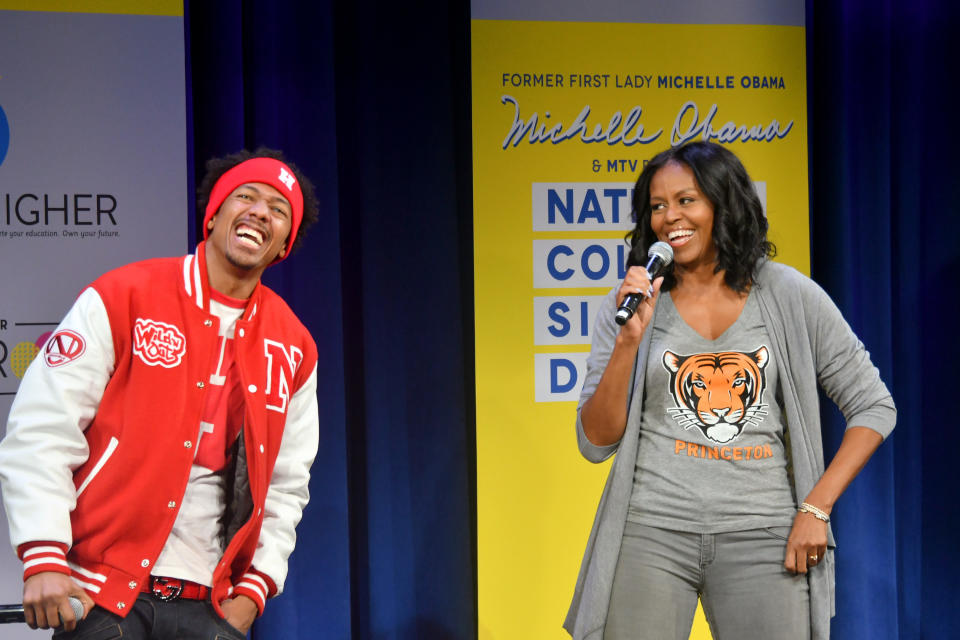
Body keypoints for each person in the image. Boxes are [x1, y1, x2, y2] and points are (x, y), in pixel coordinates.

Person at [563, 142, 895, 640]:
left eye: (685, 200)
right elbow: (595, 441)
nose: (669, 218)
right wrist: (629, 340)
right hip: (651, 529)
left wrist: (816, 507)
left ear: (724, 203)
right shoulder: (634, 304)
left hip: (763, 531)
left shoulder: (787, 294)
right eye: (657, 206)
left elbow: (874, 405)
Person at [0, 148, 321, 638]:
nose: (261, 212)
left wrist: (254, 591)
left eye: (279, 210)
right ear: (214, 215)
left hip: (211, 607)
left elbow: (287, 483)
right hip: (102, 596)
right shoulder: (125, 294)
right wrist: (43, 554)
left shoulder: (294, 345)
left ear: (283, 246)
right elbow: (44, 428)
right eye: (246, 197)